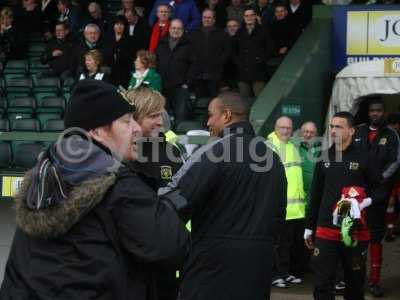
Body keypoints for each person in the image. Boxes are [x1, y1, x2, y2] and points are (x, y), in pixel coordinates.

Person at [0, 79, 190, 299]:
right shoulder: (120, 186)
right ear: (98, 132)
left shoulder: (42, 177)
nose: (137, 128)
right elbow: (173, 246)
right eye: (127, 121)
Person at [159, 91, 287, 300]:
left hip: (211, 268)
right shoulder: (273, 159)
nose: (208, 122)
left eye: (210, 115)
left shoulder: (213, 152)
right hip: (258, 268)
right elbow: (279, 217)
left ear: (226, 115)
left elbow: (177, 202)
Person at [304, 111, 385, 300]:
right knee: (322, 283)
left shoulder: (366, 157)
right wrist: (309, 227)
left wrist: (364, 202)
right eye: (331, 126)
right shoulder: (324, 157)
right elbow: (316, 195)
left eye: (338, 127)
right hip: (326, 230)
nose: (333, 130)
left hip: (355, 232)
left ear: (351, 131)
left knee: (354, 282)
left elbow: (381, 189)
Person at [126, 87, 184, 300]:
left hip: (163, 262)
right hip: (128, 263)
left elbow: (182, 198)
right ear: (134, 117)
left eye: (161, 114)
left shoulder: (171, 153)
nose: (160, 122)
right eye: (153, 116)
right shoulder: (119, 155)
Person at [353, 97, 400, 297]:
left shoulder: (391, 135)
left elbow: (396, 161)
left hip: (378, 194)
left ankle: (374, 282)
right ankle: (352, 280)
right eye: (373, 110)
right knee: (352, 236)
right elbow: (348, 155)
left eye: (379, 110)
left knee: (374, 238)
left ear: (383, 112)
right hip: (356, 193)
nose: (376, 113)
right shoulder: (358, 130)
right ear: (369, 112)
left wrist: (380, 178)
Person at [267, 116, 306, 288]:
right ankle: (274, 275)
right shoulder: (269, 146)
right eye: (282, 127)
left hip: (294, 209)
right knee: (275, 244)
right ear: (275, 128)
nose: (285, 131)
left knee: (287, 244)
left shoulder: (292, 146)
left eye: (288, 128)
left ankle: (284, 272)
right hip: (277, 207)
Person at [156, 19, 194, 122]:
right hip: (163, 86)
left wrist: (187, 83)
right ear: (169, 29)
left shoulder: (189, 44)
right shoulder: (161, 43)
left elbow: (194, 65)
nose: (176, 30)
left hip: (180, 87)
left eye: (179, 28)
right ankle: (167, 138)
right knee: (164, 118)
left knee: (180, 116)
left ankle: (180, 136)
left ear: (183, 30)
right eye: (173, 28)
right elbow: (156, 62)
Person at [189, 8, 231, 98]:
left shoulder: (222, 34)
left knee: (213, 101)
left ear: (214, 19)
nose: (207, 19)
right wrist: (194, 61)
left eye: (209, 17)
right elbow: (190, 51)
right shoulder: (194, 33)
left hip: (215, 74)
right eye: (205, 17)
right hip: (198, 74)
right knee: (199, 101)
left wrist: (219, 62)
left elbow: (227, 52)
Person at [233, 7, 274, 97]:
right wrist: (239, 63)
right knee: (243, 102)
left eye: (251, 15)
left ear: (255, 16)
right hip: (243, 73)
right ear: (243, 17)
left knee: (260, 100)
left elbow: (270, 49)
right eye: (246, 16)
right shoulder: (239, 32)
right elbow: (233, 51)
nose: (249, 17)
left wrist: (260, 60)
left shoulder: (263, 30)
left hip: (258, 72)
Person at [106, 16, 133, 87]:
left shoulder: (130, 40)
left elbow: (130, 56)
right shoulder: (107, 39)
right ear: (113, 26)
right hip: (109, 71)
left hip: (124, 72)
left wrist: (117, 56)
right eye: (117, 24)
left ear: (125, 26)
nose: (119, 26)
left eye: (121, 24)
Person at [298, 121, 320, 206]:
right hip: (298, 197)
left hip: (314, 197)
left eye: (312, 132)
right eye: (306, 131)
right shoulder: (294, 148)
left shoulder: (322, 150)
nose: (308, 135)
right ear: (301, 133)